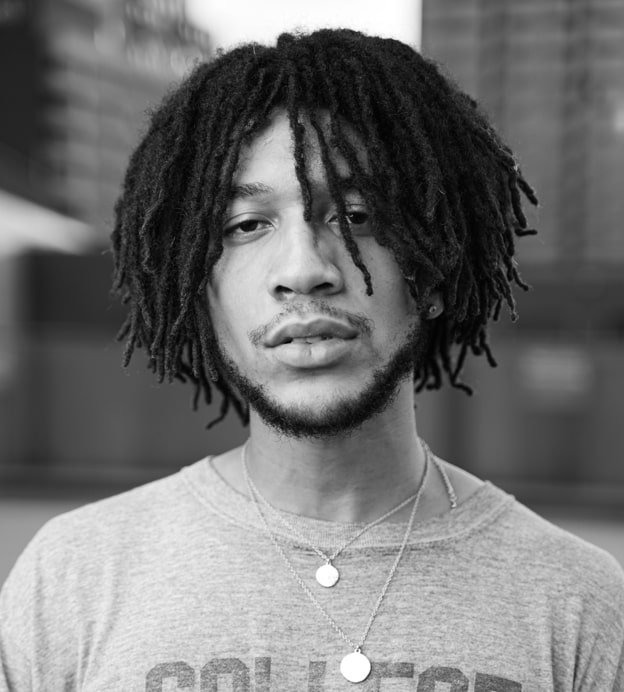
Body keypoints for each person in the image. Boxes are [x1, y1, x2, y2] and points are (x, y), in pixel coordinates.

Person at [1, 28, 623, 691]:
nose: (304, 270)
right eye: (246, 225)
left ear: (433, 270)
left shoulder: (580, 604)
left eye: (356, 216)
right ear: (195, 287)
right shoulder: (70, 579)